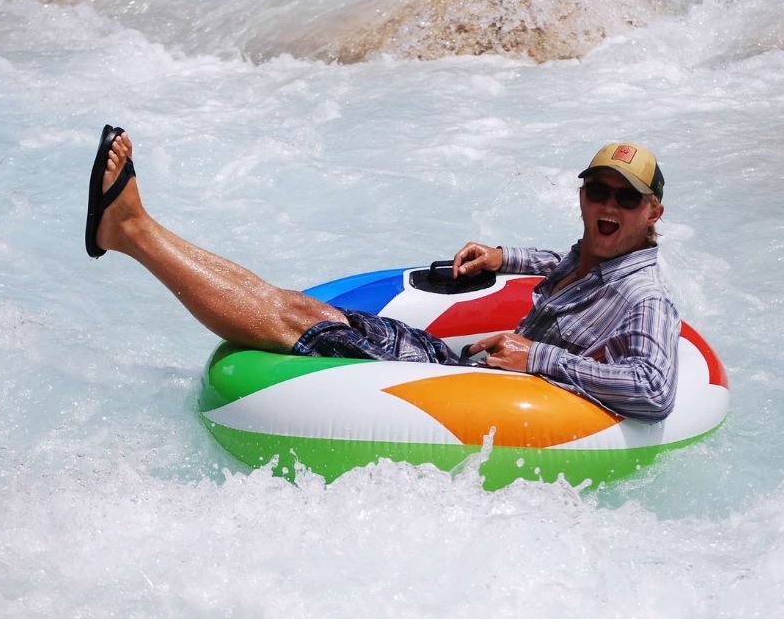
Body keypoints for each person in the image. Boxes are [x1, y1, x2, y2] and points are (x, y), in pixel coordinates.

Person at [86, 128, 679, 422]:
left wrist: (538, 360)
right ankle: (135, 228)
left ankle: (133, 232)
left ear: (651, 213)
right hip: (469, 368)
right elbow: (564, 263)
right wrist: (504, 257)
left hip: (493, 396)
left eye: (624, 200)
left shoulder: (645, 297)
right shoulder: (598, 257)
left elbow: (654, 391)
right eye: (596, 191)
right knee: (305, 308)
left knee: (296, 321)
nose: (606, 208)